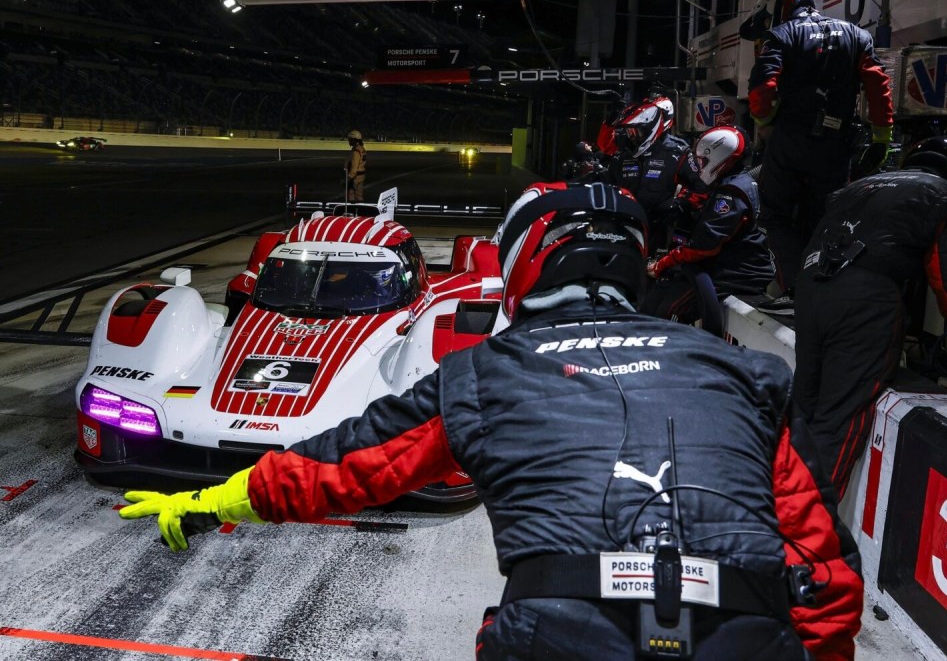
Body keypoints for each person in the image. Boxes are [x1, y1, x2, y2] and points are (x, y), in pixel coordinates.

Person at [119, 184, 863, 661]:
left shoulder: (486, 371)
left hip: (559, 636)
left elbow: (342, 468)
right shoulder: (737, 370)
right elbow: (825, 571)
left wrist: (210, 501)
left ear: (527, 265)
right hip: (748, 635)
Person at [793, 137, 947, 499]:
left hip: (811, 288)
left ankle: (768, 517)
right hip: (865, 300)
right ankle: (804, 540)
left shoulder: (857, 187)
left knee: (803, 407)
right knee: (839, 421)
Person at [739, 0, 894, 315]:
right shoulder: (857, 35)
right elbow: (879, 86)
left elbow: (762, 92)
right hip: (836, 145)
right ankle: (826, 288)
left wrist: (766, 117)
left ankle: (794, 288)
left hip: (791, 139)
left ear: (777, 8)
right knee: (827, 216)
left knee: (776, 215)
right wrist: (882, 137)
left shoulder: (781, 35)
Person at [642, 126, 775, 326]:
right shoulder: (732, 183)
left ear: (719, 157)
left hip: (736, 274)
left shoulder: (731, 192)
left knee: (668, 311)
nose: (699, 166)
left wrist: (664, 263)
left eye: (702, 160)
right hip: (721, 268)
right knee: (656, 296)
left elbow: (704, 245)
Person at [597, 95, 691, 252]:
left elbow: (696, 186)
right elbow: (605, 147)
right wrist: (610, 121)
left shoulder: (677, 151)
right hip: (623, 226)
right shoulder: (626, 149)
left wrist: (679, 205)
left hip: (659, 230)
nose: (632, 135)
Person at [346, 129, 367, 202]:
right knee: (359, 196)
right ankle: (360, 211)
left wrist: (350, 177)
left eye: (350, 139)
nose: (349, 141)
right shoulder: (362, 149)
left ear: (355, 140)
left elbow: (354, 166)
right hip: (361, 175)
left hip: (355, 177)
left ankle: (352, 211)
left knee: (351, 195)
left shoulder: (356, 151)